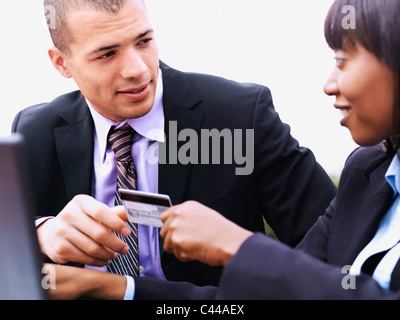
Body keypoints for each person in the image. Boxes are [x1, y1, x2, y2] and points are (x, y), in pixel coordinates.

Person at [48, 0, 400, 300]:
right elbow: (305, 282)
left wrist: (238, 245)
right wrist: (43, 233)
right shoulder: (366, 171)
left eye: (144, 41)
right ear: (61, 63)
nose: (137, 70)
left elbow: (315, 278)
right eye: (107, 53)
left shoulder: (242, 114)